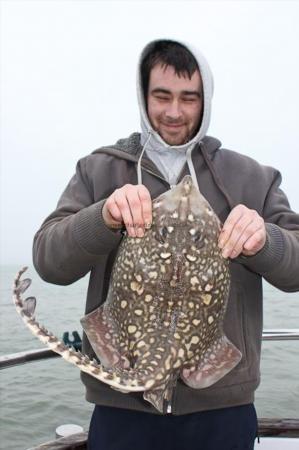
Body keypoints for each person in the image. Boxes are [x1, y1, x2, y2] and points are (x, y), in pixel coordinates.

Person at [33, 39, 299, 450]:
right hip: (122, 406)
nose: (174, 112)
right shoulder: (99, 170)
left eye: (188, 98)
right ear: (144, 97)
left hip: (221, 409)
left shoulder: (253, 178)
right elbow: (48, 261)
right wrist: (102, 218)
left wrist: (266, 240)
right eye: (162, 96)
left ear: (205, 100)